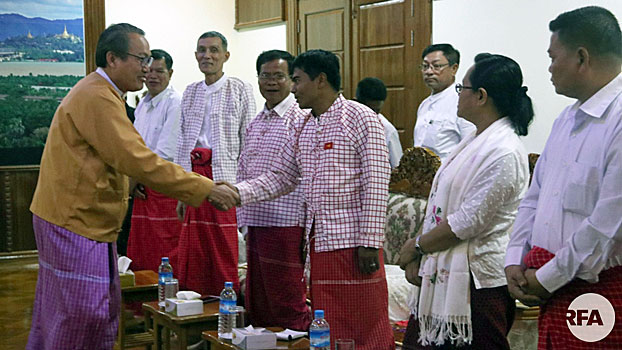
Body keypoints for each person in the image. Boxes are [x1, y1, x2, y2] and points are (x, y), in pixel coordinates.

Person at [26, 23, 237, 350]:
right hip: (75, 219)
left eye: (150, 60)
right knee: (82, 313)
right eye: (141, 59)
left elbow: (124, 157)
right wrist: (204, 189)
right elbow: (136, 157)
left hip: (80, 216)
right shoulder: (97, 96)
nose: (147, 68)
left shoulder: (105, 93)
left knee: (79, 309)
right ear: (113, 58)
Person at [234, 49, 394, 350]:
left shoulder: (361, 118)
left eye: (297, 80)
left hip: (354, 245)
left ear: (321, 80)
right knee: (327, 321)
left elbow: (376, 182)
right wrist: (235, 193)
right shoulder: (305, 125)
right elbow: (281, 176)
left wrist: (370, 242)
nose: (293, 88)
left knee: (363, 321)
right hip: (319, 242)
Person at [505, 6, 622, 348]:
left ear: (582, 58)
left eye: (553, 57)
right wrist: (515, 258)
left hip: (597, 287)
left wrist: (547, 277)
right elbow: (534, 197)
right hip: (546, 281)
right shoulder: (565, 121)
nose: (550, 67)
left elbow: (607, 222)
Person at [399, 53, 533, 349]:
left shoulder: (504, 150)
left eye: (463, 88)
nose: (458, 95)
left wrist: (418, 246)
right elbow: (440, 204)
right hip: (441, 267)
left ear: (481, 96)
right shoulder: (474, 139)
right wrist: (421, 254)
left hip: (478, 282)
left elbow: (468, 220)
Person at [174, 31, 255, 296]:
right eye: (201, 50)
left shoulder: (239, 89)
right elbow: (182, 140)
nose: (207, 56)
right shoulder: (190, 91)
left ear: (225, 56)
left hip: (226, 178)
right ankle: (195, 306)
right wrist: (181, 189)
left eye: (213, 50)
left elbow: (249, 140)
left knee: (222, 246)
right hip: (195, 176)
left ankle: (225, 305)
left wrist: (243, 188)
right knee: (194, 246)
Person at [238, 49, 311, 330]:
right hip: (256, 222)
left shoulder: (300, 119)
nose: (271, 82)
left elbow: (288, 176)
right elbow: (244, 168)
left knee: (286, 302)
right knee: (257, 302)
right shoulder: (257, 121)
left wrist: (234, 194)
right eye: (265, 75)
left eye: (279, 76)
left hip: (285, 223)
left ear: (291, 80)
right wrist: (242, 218)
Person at [126, 49, 183, 272]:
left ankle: (166, 298)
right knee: (143, 247)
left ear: (170, 73)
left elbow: (166, 151)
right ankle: (142, 300)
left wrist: (137, 179)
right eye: (149, 70)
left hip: (164, 188)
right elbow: (133, 146)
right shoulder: (143, 103)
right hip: (142, 186)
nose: (153, 76)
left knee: (166, 249)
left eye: (160, 71)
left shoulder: (175, 103)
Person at [413, 44, 475, 162]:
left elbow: (471, 149)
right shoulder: (424, 105)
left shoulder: (462, 102)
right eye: (425, 66)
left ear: (454, 68)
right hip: (422, 177)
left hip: (450, 176)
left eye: (436, 66)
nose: (429, 72)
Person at [356, 77, 403, 168]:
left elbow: (397, 167)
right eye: (369, 111)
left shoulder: (387, 130)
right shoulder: (345, 124)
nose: (372, 116)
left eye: (376, 111)